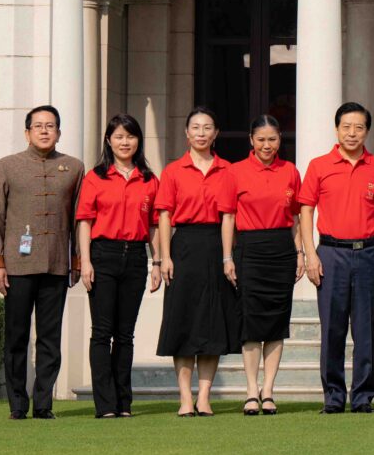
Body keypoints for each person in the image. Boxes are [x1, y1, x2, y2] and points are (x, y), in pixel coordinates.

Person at [0, 105, 84, 420]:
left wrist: (77, 260)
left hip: (55, 265)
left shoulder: (74, 167)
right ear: (27, 132)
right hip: (16, 266)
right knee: (16, 336)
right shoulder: (7, 166)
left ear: (59, 132)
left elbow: (79, 220)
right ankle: (17, 403)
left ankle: (43, 403)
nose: (44, 131)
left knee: (50, 338)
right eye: (38, 125)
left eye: (50, 126)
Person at [298, 101, 374, 414]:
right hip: (330, 253)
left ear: (367, 131)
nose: (352, 133)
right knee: (333, 328)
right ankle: (334, 396)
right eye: (346, 127)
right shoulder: (318, 165)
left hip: (368, 252)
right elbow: (305, 209)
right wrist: (310, 253)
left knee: (366, 328)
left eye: (359, 128)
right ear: (337, 129)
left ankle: (364, 396)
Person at [156, 106, 241, 417]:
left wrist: (227, 257)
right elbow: (164, 215)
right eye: (196, 128)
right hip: (183, 247)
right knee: (183, 321)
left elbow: (229, 216)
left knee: (212, 322)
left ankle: (204, 396)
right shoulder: (173, 171)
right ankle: (185, 398)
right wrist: (165, 257)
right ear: (186, 133)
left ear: (215, 133)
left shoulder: (227, 170)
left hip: (215, 245)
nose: (201, 133)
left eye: (207, 128)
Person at [75, 114, 162, 419]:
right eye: (119, 136)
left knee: (125, 334)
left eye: (130, 136)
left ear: (138, 141)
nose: (125, 142)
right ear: (108, 141)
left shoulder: (150, 180)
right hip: (103, 255)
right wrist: (85, 262)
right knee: (102, 332)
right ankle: (105, 404)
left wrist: (158, 262)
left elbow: (154, 226)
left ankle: (124, 402)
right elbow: (84, 222)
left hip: (136, 257)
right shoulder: (95, 177)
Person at [229, 114, 304, 416]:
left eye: (272, 139)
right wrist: (227, 257)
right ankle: (250, 391)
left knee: (275, 324)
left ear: (279, 140)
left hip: (281, 250)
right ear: (251, 140)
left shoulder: (290, 171)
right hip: (249, 249)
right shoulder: (235, 172)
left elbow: (297, 218)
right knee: (250, 324)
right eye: (260, 139)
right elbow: (228, 219)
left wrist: (300, 253)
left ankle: (269, 390)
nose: (266, 145)